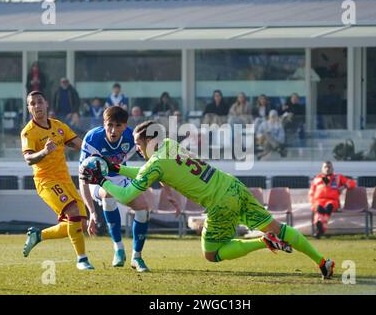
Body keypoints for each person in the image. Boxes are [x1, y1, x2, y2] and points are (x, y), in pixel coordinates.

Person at [80, 120, 335, 279]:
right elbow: (144, 171)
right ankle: (322, 262)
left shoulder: (155, 164)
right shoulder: (169, 144)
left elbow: (126, 194)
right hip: (234, 186)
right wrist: (115, 169)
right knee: (279, 227)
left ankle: (263, 242)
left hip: (219, 203)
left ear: (149, 140)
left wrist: (102, 180)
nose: (136, 149)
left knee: (211, 254)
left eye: (138, 143)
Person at [20, 90, 95, 270]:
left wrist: (97, 152)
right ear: (29, 108)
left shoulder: (58, 126)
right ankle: (82, 259)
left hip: (65, 179)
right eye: (33, 103)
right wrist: (45, 152)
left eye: (39, 102)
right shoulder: (28, 132)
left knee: (80, 224)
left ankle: (38, 236)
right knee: (73, 211)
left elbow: (80, 144)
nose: (37, 106)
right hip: (46, 180)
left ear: (46, 104)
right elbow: (29, 159)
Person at [79, 106, 154, 272]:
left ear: (125, 126)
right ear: (104, 123)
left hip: (121, 176)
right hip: (97, 181)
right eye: (110, 125)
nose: (113, 130)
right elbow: (82, 178)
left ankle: (137, 257)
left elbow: (152, 159)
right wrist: (91, 212)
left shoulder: (131, 137)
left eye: (118, 125)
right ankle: (118, 248)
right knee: (108, 193)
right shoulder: (92, 139)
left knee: (143, 208)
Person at [309, 161, 356, 239]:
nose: (327, 169)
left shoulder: (338, 177)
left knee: (328, 207)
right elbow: (311, 192)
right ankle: (321, 227)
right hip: (319, 201)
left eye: (329, 167)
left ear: (332, 169)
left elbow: (352, 183)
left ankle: (321, 227)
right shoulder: (317, 179)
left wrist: (343, 186)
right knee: (319, 208)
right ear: (322, 169)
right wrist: (312, 203)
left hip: (332, 201)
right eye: (325, 167)